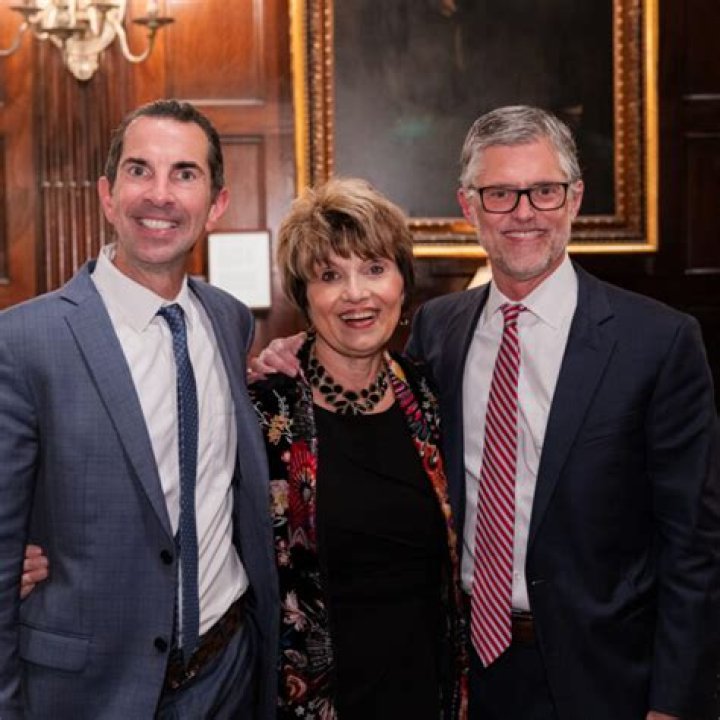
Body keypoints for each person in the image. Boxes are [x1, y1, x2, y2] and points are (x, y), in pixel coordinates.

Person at [249, 106, 720, 720]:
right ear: (468, 206)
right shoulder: (440, 331)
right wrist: (291, 352)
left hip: (605, 678)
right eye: (499, 194)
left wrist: (675, 704)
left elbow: (694, 542)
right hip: (462, 671)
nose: (523, 212)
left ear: (575, 199)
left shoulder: (657, 341)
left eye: (544, 190)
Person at [0, 99, 278, 719]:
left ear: (216, 203)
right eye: (139, 170)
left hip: (228, 674)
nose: (160, 195)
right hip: (89, 693)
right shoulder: (21, 343)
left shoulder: (229, 320)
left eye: (184, 173)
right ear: (107, 195)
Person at [251, 177, 467, 718]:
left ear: (402, 282)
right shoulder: (264, 412)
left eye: (374, 268)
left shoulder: (430, 396)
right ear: (304, 296)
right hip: (313, 701)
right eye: (329, 275)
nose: (356, 294)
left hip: (426, 693)